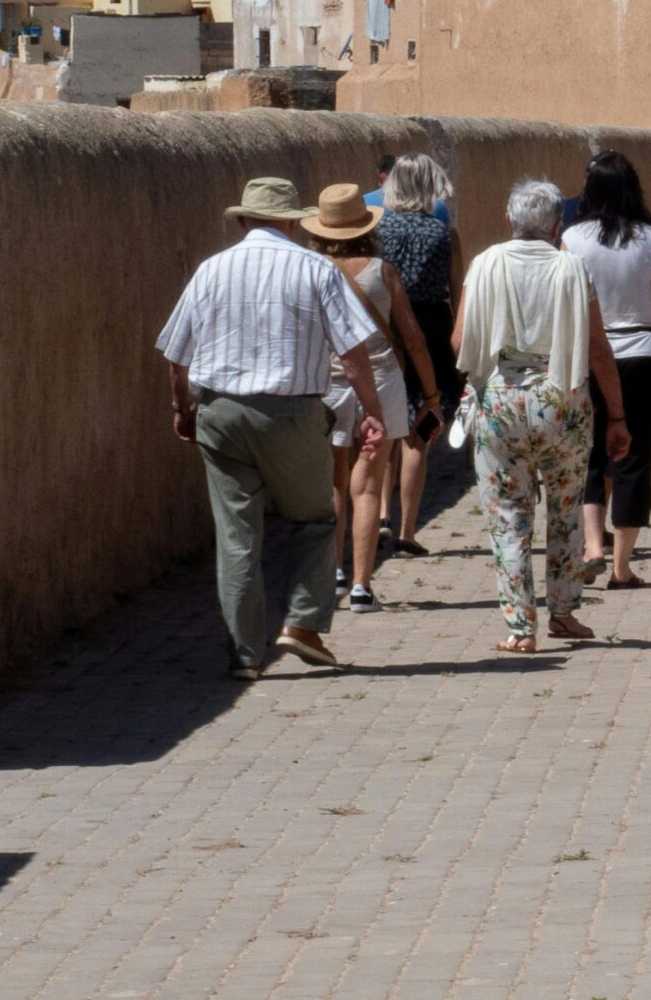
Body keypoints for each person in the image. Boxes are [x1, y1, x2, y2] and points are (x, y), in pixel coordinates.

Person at [156, 177, 386, 679]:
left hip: (219, 411)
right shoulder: (315, 269)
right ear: (290, 221)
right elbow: (352, 353)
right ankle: (301, 625)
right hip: (290, 413)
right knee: (316, 518)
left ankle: (245, 655)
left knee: (237, 536)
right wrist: (373, 412)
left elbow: (177, 357)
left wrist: (184, 409)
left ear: (242, 220)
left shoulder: (210, 270)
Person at [456, 180, 631, 651]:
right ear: (557, 226)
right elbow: (597, 349)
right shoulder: (571, 268)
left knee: (507, 515)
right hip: (562, 401)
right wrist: (617, 415)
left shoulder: (485, 264)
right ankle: (564, 612)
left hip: (501, 402)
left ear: (508, 220)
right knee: (566, 509)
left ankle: (519, 626)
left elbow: (459, 343)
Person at [308, 184, 442, 614]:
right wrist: (432, 394)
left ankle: (334, 572)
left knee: (333, 479)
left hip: (326, 383)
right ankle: (364, 586)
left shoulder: (311, 269)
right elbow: (415, 339)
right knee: (367, 485)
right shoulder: (383, 271)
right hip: (381, 380)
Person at [562, 150, 651, 589]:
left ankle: (593, 545)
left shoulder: (572, 239)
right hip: (645, 353)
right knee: (636, 458)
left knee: (590, 455)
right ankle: (621, 566)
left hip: (589, 356)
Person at [377, 154, 464, 558]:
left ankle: (378, 514)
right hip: (429, 328)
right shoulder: (445, 234)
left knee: (381, 428)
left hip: (386, 328)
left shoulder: (377, 231)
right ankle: (408, 530)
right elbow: (457, 291)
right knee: (418, 432)